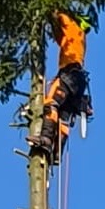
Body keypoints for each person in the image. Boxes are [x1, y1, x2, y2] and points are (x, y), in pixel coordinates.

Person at [28, 11, 93, 158]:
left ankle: (45, 139)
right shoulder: (78, 36)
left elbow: (57, 13)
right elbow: (60, 37)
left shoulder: (72, 25)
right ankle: (56, 151)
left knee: (51, 103)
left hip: (69, 74)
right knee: (63, 115)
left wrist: (47, 3)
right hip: (78, 80)